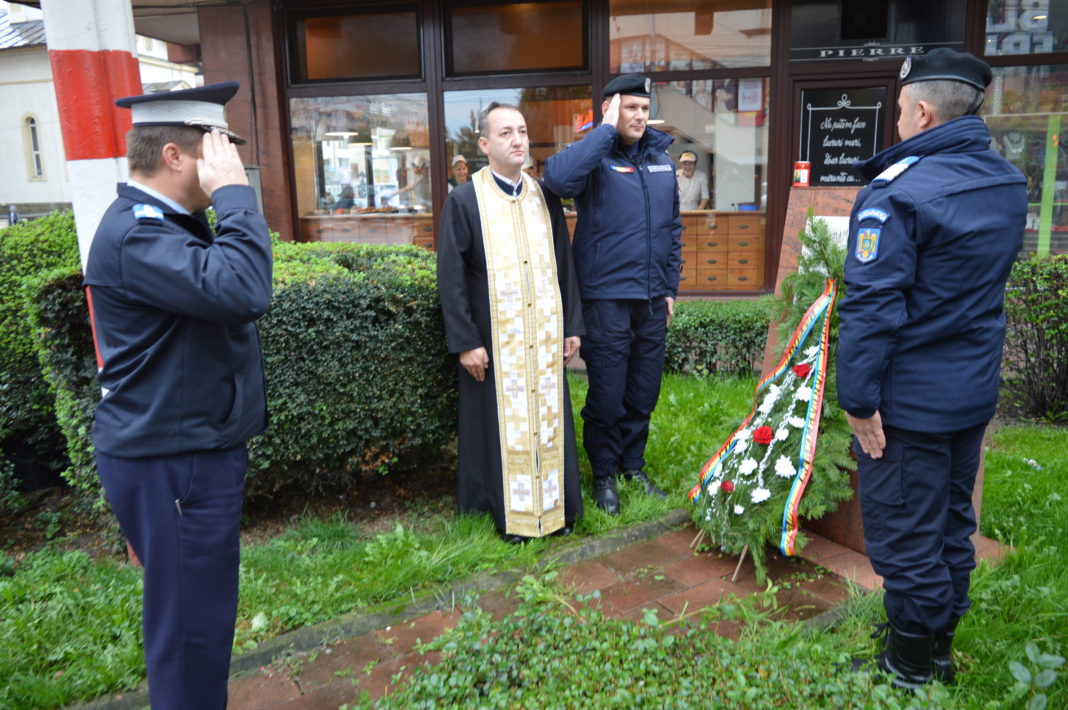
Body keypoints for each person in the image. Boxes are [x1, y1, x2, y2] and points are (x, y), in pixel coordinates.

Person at [837, 48, 1026, 688]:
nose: (895, 124)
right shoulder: (1005, 181)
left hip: (908, 407)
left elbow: (871, 307)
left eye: (897, 111)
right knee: (951, 525)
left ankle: (910, 669)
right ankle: (939, 647)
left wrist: (858, 401)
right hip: (970, 394)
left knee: (907, 535)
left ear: (922, 112)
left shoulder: (899, 193)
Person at [83, 81, 273, 710]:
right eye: (218, 151)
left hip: (186, 451)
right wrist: (237, 200)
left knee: (200, 615)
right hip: (174, 458)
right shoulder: (140, 234)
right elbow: (244, 288)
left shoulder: (165, 224)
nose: (230, 165)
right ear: (174, 156)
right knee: (191, 628)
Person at [437, 102, 584, 543]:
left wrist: (572, 325)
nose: (517, 139)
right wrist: (465, 341)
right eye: (505, 133)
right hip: (494, 343)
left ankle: (558, 508)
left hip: (542, 340)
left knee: (550, 418)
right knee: (498, 428)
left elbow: (564, 264)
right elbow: (451, 274)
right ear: (484, 144)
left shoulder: (544, 196)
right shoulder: (465, 199)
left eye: (521, 131)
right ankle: (505, 513)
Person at [544, 73, 682, 515]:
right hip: (605, 298)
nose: (640, 116)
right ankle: (604, 473)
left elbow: (673, 228)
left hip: (652, 298)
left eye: (644, 108)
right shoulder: (596, 157)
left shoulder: (661, 159)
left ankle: (632, 465)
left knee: (643, 390)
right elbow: (557, 180)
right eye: (630, 108)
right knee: (606, 394)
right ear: (610, 111)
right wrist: (603, 132)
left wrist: (670, 288)